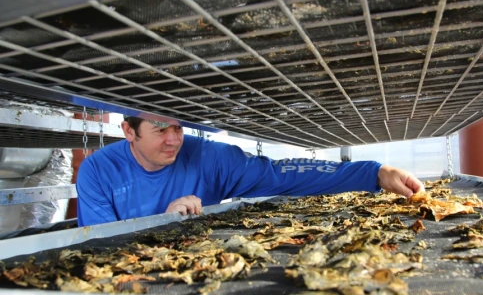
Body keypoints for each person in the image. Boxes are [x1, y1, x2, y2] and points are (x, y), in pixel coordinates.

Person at [76, 115, 424, 226]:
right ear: (128, 131)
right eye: (159, 130)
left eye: (178, 127)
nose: (173, 140)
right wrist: (162, 222)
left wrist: (374, 173)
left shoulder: (209, 158)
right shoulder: (97, 172)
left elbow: (285, 174)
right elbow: (97, 255)